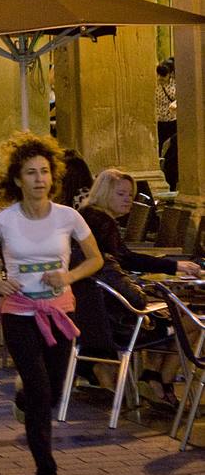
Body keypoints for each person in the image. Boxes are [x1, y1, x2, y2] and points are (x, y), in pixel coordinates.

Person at [0, 132, 104, 475]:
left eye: (44, 172)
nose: (39, 179)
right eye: (31, 173)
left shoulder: (69, 217)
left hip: (60, 312)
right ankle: (46, 474)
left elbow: (96, 259)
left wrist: (69, 276)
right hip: (19, 313)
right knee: (41, 387)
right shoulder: (3, 220)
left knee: (56, 389)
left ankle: (24, 398)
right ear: (17, 178)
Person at [78, 167, 197, 405]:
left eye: (130, 195)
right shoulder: (103, 224)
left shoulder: (87, 218)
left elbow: (118, 262)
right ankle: (159, 380)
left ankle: (153, 379)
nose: (128, 200)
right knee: (189, 319)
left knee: (168, 314)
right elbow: (124, 260)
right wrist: (173, 266)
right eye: (121, 194)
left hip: (92, 316)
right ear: (104, 193)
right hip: (120, 320)